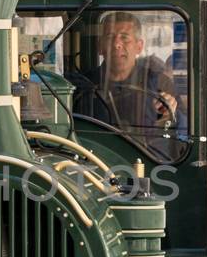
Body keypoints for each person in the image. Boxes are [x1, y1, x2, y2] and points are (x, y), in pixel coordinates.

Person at [74, 13, 182, 155]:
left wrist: (170, 112)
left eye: (124, 38)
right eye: (110, 37)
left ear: (139, 46)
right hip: (94, 163)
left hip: (149, 163)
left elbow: (183, 130)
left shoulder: (159, 83)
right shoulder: (81, 85)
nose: (116, 44)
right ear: (100, 47)